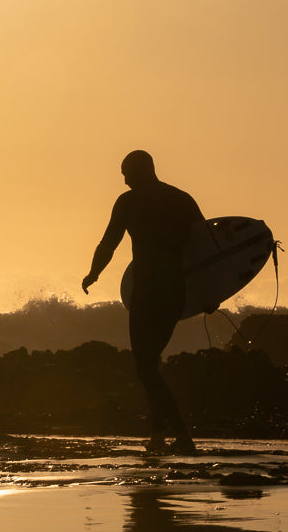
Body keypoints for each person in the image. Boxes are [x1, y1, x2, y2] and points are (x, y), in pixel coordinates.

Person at [82, 150, 203, 455]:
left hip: (147, 292)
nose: (124, 180)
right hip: (175, 291)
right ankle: (159, 434)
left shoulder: (129, 202)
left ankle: (180, 436)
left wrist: (94, 273)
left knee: (146, 366)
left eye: (127, 173)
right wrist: (208, 293)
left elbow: (109, 242)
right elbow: (206, 249)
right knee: (150, 364)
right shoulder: (181, 198)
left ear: (141, 171)